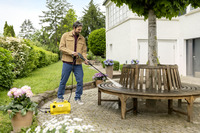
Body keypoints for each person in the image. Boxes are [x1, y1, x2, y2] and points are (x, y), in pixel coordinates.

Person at [57, 21, 88, 105]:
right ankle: (60, 97)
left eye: (81, 29)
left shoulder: (82, 38)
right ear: (74, 28)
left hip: (78, 64)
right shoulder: (65, 35)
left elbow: (84, 51)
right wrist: (71, 52)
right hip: (67, 62)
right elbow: (61, 47)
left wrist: (85, 59)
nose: (80, 31)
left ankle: (78, 97)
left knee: (80, 81)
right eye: (78, 29)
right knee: (63, 81)